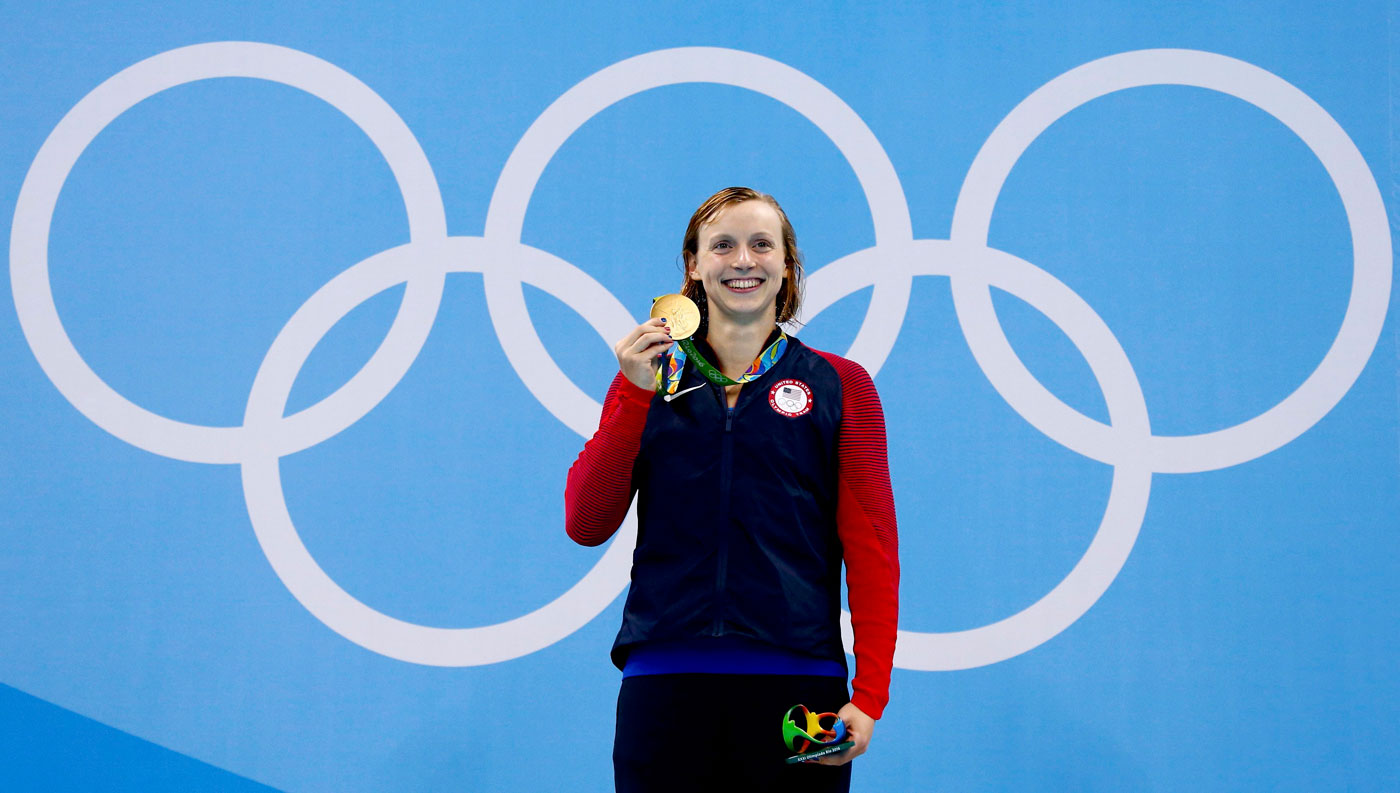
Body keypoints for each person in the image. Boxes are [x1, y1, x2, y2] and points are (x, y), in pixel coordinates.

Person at [565, 187, 899, 792]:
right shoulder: (648, 379)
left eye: (761, 244)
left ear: (786, 265)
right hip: (664, 683)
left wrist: (870, 696)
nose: (743, 260)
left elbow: (872, 547)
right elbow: (586, 522)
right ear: (693, 265)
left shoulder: (841, 385)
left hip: (800, 695)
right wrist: (634, 393)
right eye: (722, 245)